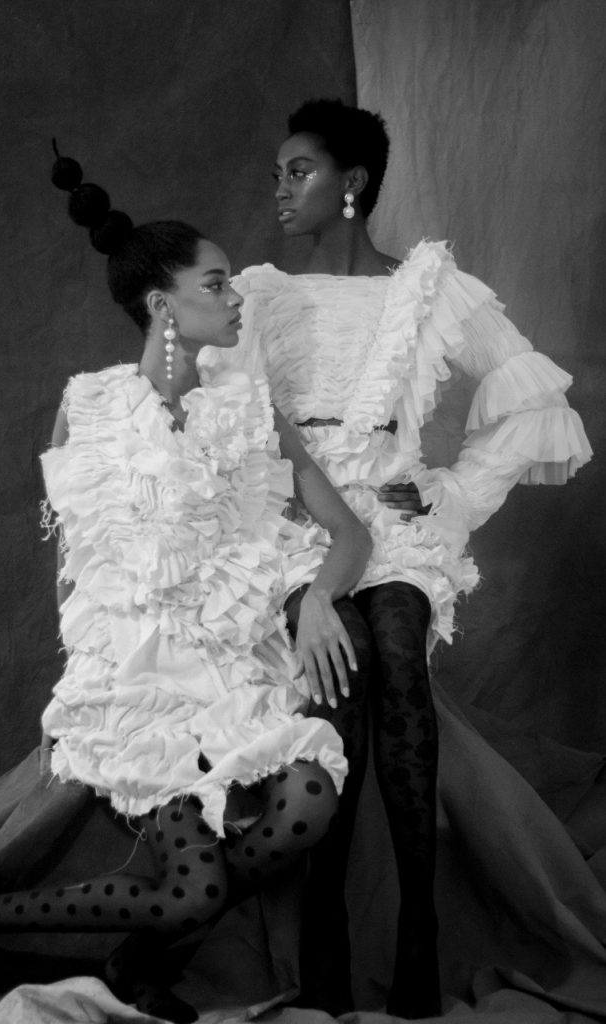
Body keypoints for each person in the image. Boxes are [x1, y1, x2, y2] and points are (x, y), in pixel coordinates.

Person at [0, 151, 374, 1018]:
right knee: (194, 892)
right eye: (218, 283)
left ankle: (131, 956)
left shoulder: (250, 407)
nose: (236, 295)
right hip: (139, 682)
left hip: (235, 673)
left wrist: (320, 595)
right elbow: (81, 566)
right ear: (163, 304)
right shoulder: (87, 408)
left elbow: (348, 531)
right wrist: (88, 692)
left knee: (312, 797)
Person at [199, 98, 593, 1019]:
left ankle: (420, 923)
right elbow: (216, 423)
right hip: (303, 521)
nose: (280, 188)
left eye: (300, 170)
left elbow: (530, 401)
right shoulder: (258, 295)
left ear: (354, 184)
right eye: (278, 172)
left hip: (395, 513)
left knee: (401, 656)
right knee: (348, 667)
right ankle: (324, 928)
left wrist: (452, 491)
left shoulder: (428, 285)